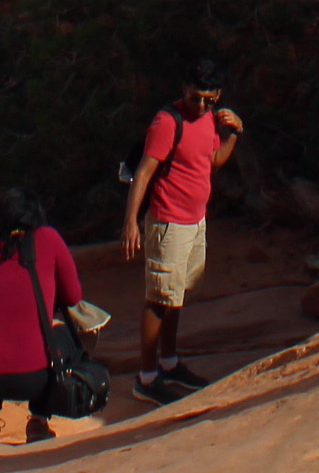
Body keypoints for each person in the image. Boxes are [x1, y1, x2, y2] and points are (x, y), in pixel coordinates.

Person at [117, 59, 243, 402]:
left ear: (217, 96)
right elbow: (144, 172)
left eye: (207, 99)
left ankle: (169, 364)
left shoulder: (210, 119)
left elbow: (212, 161)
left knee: (175, 295)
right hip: (168, 222)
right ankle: (146, 379)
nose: (200, 104)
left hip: (195, 221)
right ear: (183, 89)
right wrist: (131, 222)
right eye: (194, 97)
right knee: (159, 299)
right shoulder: (166, 122)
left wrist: (234, 133)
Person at [0, 189, 82, 446]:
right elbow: (73, 296)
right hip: (36, 378)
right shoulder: (49, 239)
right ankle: (38, 421)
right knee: (63, 338)